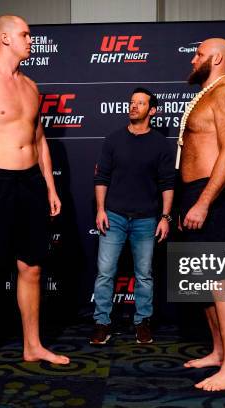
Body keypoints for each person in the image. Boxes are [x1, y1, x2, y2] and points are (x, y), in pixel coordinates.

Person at [0, 14, 70, 383]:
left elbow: (39, 141)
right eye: (25, 34)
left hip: (31, 183)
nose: (30, 40)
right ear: (4, 38)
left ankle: (32, 344)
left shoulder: (31, 86)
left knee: (32, 267)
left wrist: (50, 187)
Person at [177, 38, 225, 391]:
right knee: (202, 281)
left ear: (216, 58)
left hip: (213, 195)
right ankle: (220, 352)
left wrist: (204, 201)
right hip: (195, 193)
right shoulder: (206, 95)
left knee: (221, 281)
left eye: (199, 54)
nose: (193, 59)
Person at [90, 88, 175, 345]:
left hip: (147, 219)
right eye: (131, 102)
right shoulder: (113, 140)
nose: (134, 106)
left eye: (140, 103)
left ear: (152, 110)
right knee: (105, 273)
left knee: (144, 274)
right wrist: (101, 209)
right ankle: (102, 323)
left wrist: (166, 217)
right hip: (113, 216)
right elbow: (101, 177)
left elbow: (168, 183)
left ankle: (142, 323)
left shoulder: (161, 144)